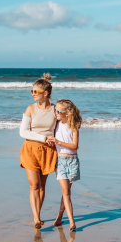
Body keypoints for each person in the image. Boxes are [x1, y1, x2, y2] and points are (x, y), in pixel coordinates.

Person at [19, 74, 57, 229]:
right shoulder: (30, 108)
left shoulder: (55, 110)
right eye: (31, 91)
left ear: (45, 93)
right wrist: (43, 138)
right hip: (31, 149)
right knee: (34, 184)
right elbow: (23, 132)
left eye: (36, 91)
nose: (33, 93)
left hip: (48, 151)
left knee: (42, 186)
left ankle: (38, 215)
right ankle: (36, 218)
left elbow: (62, 128)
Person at [47, 99, 82, 231]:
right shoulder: (56, 124)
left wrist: (58, 141)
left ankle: (60, 216)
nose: (56, 113)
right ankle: (72, 222)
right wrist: (51, 142)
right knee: (66, 191)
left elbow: (74, 146)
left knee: (66, 192)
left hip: (73, 161)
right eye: (56, 110)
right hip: (60, 161)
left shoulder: (74, 126)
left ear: (67, 113)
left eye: (58, 111)